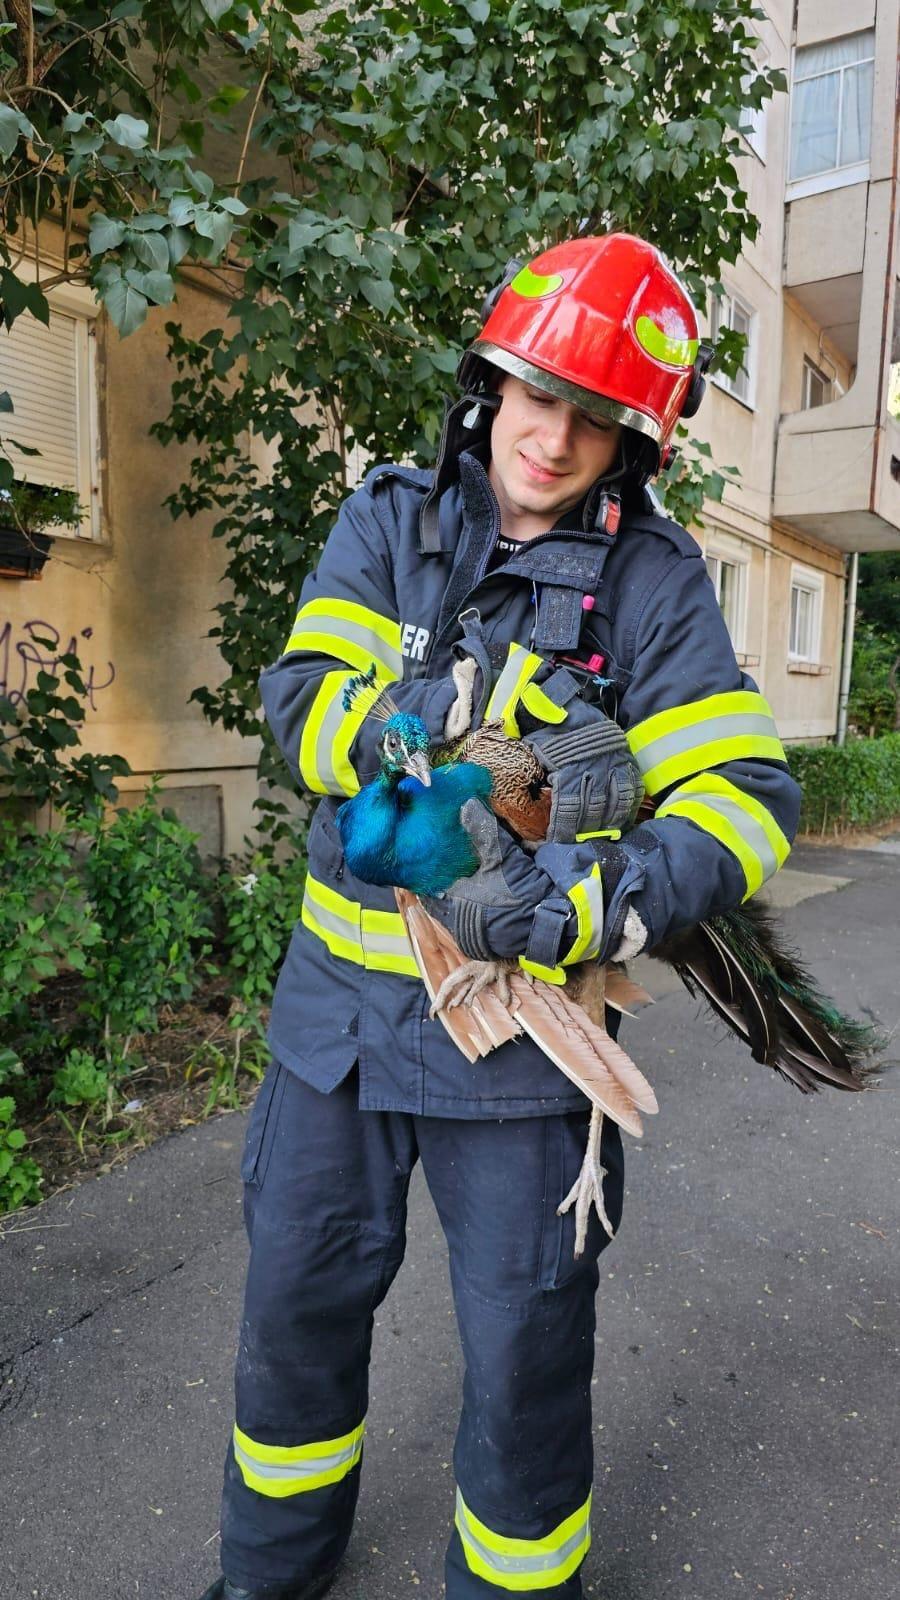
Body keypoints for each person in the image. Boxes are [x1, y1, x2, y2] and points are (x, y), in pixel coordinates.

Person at [199, 233, 800, 1600]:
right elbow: (302, 705)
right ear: (490, 383)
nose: (554, 435)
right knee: (293, 1316)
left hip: (522, 1064)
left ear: (632, 445)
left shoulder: (651, 585)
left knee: (527, 1357)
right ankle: (267, 1576)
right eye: (538, 395)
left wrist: (595, 902)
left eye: (595, 417)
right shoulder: (389, 517)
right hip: (336, 1036)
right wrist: (450, 738)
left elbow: (747, 799)